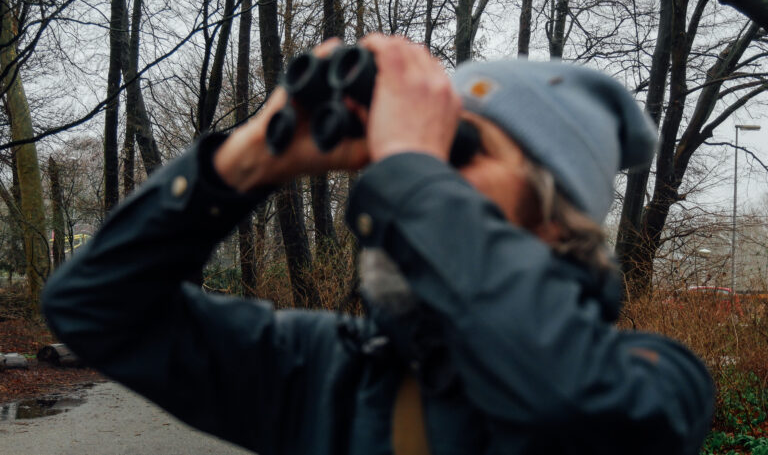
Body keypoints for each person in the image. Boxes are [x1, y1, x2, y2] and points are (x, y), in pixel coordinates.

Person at [43, 34, 714, 455]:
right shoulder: (327, 372)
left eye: (458, 149)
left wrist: (412, 169)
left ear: (555, 220)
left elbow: (569, 404)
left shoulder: (656, 381)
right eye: (416, 154)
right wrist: (244, 161)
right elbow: (94, 308)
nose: (415, 175)